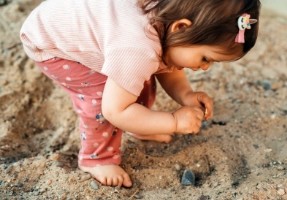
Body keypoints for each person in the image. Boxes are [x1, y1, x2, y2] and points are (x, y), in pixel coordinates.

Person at [20, 0, 260, 187]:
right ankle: (95, 158)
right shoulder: (137, 47)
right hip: (51, 42)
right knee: (103, 96)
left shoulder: (169, 22)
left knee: (133, 78)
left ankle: (139, 123)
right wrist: (173, 121)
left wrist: (186, 95)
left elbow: (168, 66)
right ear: (181, 28)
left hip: (86, 25)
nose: (205, 66)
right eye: (206, 58)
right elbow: (115, 110)